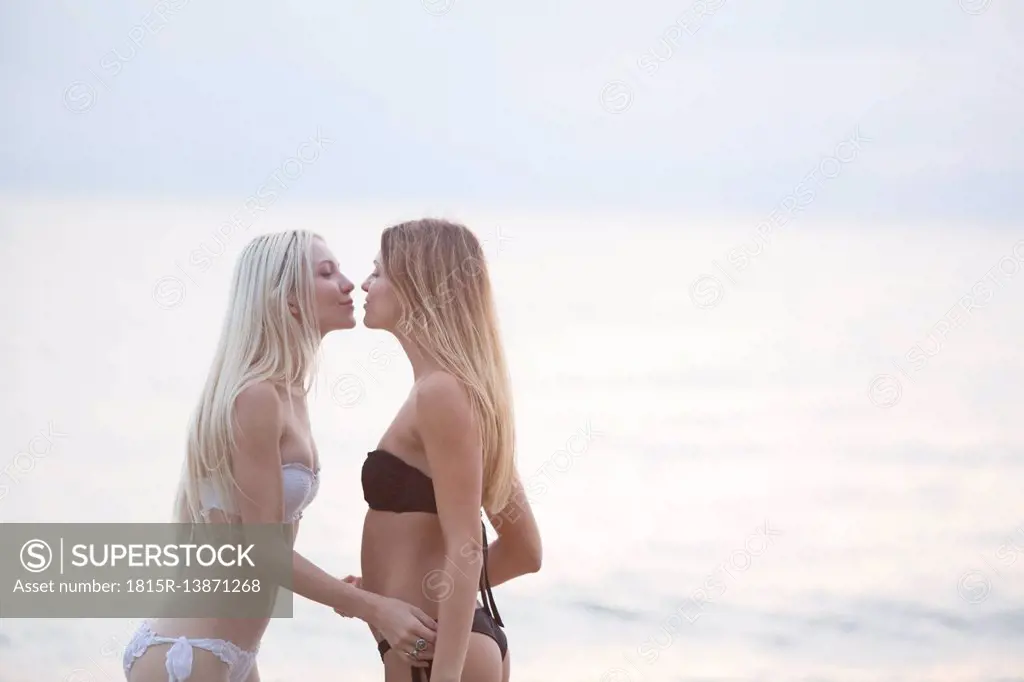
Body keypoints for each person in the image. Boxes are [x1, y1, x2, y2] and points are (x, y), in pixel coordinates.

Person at [123, 230, 437, 682]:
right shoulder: (257, 396)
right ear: (289, 300)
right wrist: (374, 608)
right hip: (187, 655)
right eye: (327, 273)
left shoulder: (288, 392)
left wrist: (348, 592)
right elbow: (262, 551)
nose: (350, 284)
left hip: (234, 654)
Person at [354, 218, 543, 682]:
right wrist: (382, 590)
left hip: (434, 653)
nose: (364, 283)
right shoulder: (455, 393)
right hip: (438, 640)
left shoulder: (441, 394)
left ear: (417, 286)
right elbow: (524, 550)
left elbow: (465, 547)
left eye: (378, 272)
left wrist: (445, 670)